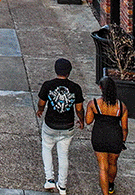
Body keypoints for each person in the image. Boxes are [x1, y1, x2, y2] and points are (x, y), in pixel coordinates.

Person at [37, 58, 85, 195]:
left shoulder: (48, 85)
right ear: (69, 72)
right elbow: (79, 109)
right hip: (67, 126)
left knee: (46, 149)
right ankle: (62, 186)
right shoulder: (75, 88)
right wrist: (81, 121)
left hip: (50, 125)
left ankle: (49, 179)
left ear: (56, 70)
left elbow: (42, 102)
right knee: (63, 155)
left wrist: (40, 110)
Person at [87, 76, 130, 195]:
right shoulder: (121, 106)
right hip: (115, 137)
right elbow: (125, 128)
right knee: (113, 163)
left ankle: (105, 193)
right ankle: (111, 184)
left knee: (102, 167)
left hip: (99, 136)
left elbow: (88, 121)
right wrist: (123, 140)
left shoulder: (94, 103)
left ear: (101, 88)